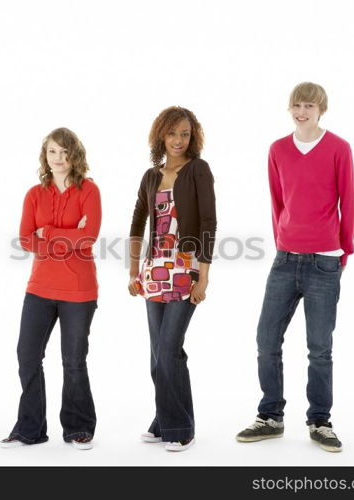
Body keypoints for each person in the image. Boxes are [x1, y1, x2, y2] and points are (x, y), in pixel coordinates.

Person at [236, 82, 354, 452]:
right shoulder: (278, 150)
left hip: (325, 261)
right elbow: (276, 201)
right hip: (285, 260)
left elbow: (348, 200)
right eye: (296, 106)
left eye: (308, 106)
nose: (301, 112)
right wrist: (283, 243)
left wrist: (343, 251)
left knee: (319, 347)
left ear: (321, 109)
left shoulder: (338, 148)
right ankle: (270, 416)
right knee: (266, 340)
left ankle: (320, 421)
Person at [1, 127, 101, 450]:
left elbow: (88, 239)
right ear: (45, 156)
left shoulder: (89, 190)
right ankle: (30, 428)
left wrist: (49, 233)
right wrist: (67, 235)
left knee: (73, 361)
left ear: (75, 154)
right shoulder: (34, 194)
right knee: (27, 355)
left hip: (79, 290)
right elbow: (26, 239)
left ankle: (78, 428)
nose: (58, 158)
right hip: (40, 287)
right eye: (52, 152)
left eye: (64, 151)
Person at [128, 106, 216, 452]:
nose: (178, 140)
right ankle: (164, 419)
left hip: (185, 269)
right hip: (154, 272)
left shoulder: (199, 171)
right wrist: (133, 270)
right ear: (160, 136)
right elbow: (137, 223)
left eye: (185, 134)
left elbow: (209, 223)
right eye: (172, 133)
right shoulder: (151, 176)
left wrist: (203, 278)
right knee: (157, 353)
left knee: (169, 350)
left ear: (192, 138)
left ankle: (181, 427)